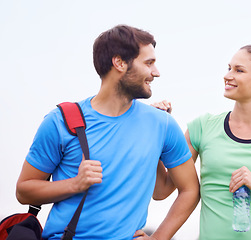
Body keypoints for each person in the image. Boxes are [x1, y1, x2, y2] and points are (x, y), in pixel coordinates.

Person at [15, 24, 200, 240]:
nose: (156, 73)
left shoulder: (163, 124)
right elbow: (24, 191)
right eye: (148, 63)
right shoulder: (60, 121)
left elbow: (188, 190)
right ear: (119, 62)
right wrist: (75, 183)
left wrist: (158, 238)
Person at [152, 45, 251, 239]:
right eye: (229, 68)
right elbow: (161, 190)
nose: (227, 75)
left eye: (239, 70)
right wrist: (159, 133)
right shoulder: (202, 128)